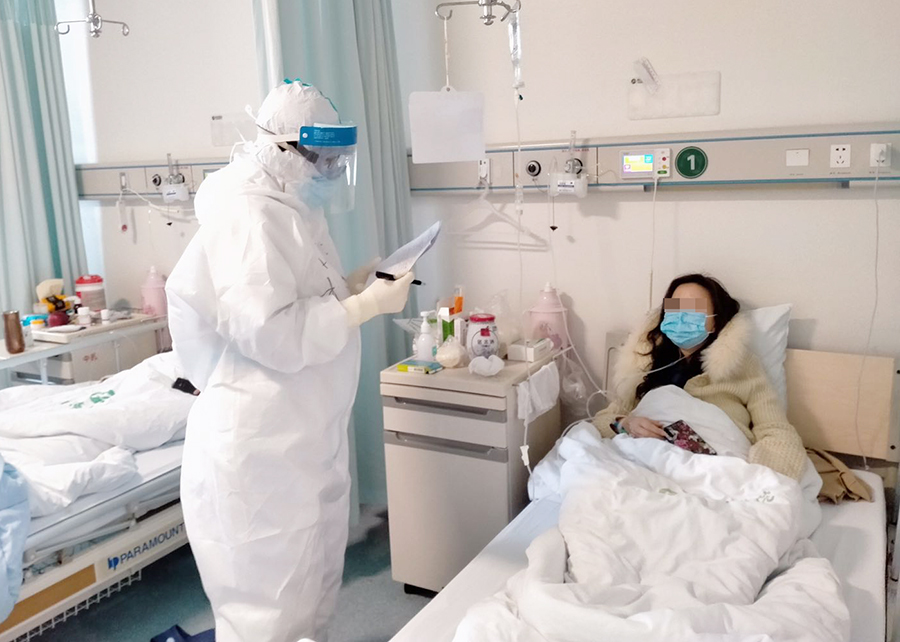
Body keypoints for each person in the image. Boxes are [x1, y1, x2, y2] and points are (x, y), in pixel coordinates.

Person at [165, 81, 414, 642]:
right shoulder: (249, 214)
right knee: (270, 612)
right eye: (322, 159)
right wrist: (362, 307)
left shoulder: (293, 207)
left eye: (338, 160)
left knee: (312, 590)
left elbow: (298, 295)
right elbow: (270, 333)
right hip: (259, 449)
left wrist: (352, 287)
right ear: (283, 149)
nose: (332, 171)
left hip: (302, 434)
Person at [593, 274, 806, 480]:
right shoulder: (646, 364)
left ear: (715, 321)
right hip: (644, 463)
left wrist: (760, 479)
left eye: (693, 309)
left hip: (715, 467)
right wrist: (626, 424)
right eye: (675, 308)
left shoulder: (743, 366)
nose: (682, 317)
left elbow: (775, 430)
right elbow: (603, 421)